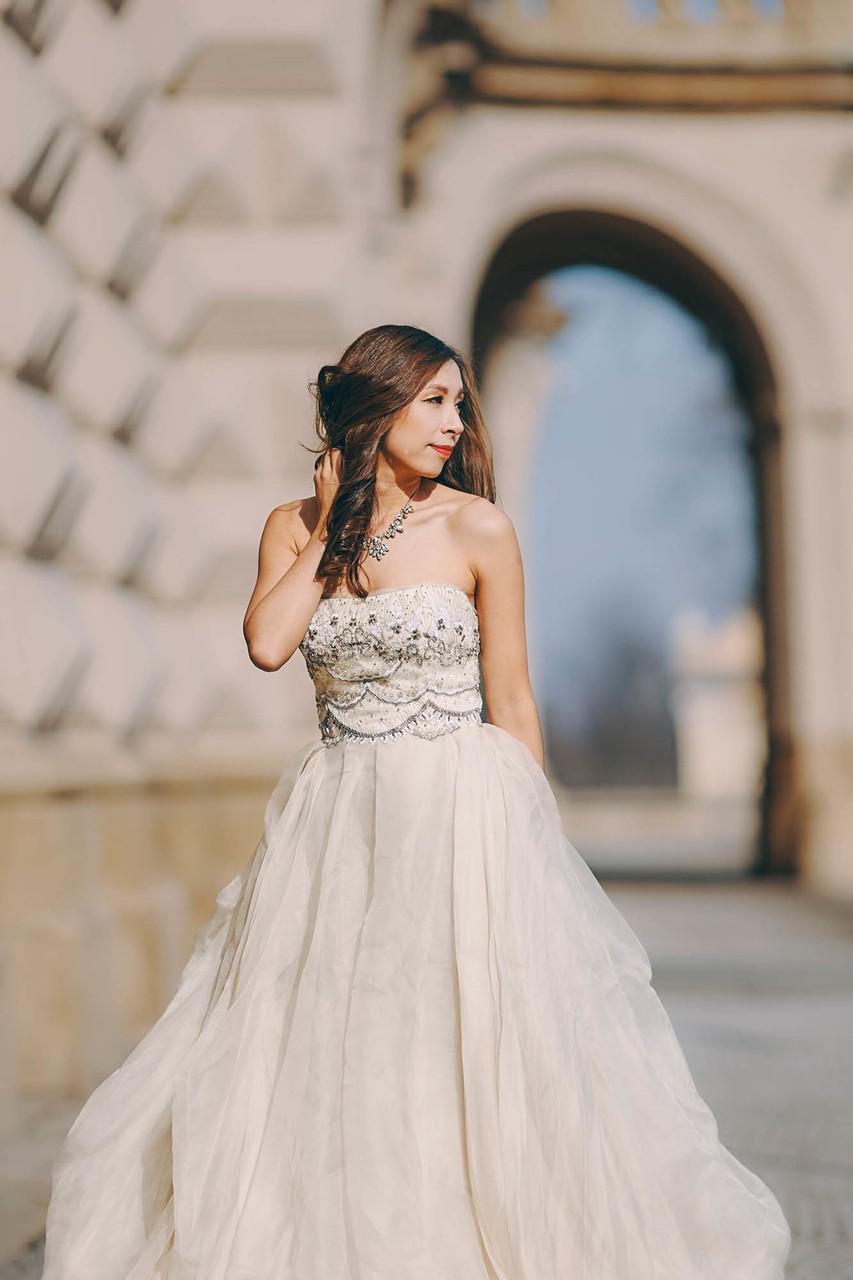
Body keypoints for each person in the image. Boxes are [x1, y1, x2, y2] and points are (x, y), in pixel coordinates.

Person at [42, 323, 791, 1279]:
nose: (453, 421)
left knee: (452, 1035)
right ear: (376, 404)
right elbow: (271, 645)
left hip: (459, 814)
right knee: (323, 1040)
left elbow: (513, 699)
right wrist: (326, 529)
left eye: (459, 402)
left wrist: (536, 859)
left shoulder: (478, 527)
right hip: (335, 821)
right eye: (432, 399)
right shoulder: (291, 527)